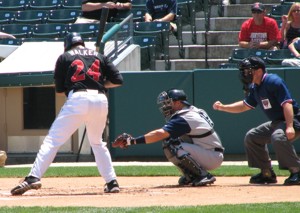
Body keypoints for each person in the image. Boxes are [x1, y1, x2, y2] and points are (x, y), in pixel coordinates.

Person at [10, 32, 124, 195]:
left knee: (52, 140)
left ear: (68, 44)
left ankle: (34, 176)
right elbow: (118, 80)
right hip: (100, 99)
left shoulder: (64, 57)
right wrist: (98, 83)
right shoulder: (99, 55)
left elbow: (59, 90)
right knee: (98, 143)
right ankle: (112, 182)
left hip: (78, 97)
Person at [213, 56, 300, 185]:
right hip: (277, 121)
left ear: (259, 71)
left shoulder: (273, 81)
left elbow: (287, 104)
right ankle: (267, 173)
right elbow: (244, 106)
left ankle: (296, 171)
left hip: (294, 119)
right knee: (252, 136)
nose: (244, 73)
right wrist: (223, 107)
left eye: (248, 70)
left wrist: (290, 126)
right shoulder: (255, 87)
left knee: (278, 136)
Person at [113, 89, 224, 186]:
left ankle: (203, 175)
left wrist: (131, 141)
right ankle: (192, 175)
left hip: (211, 156)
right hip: (209, 152)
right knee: (172, 140)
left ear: (178, 103)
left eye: (168, 103)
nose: (165, 106)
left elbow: (159, 134)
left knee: (171, 144)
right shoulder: (193, 110)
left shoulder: (185, 116)